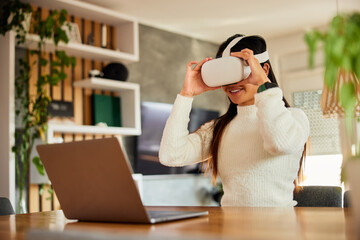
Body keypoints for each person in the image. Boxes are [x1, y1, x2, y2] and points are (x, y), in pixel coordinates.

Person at [159, 34, 310, 207]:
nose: (231, 83)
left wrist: (264, 84)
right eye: (225, 75)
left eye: (239, 71)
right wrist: (186, 95)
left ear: (264, 70)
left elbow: (279, 143)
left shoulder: (295, 117)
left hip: (278, 230)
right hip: (230, 229)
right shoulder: (218, 129)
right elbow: (170, 156)